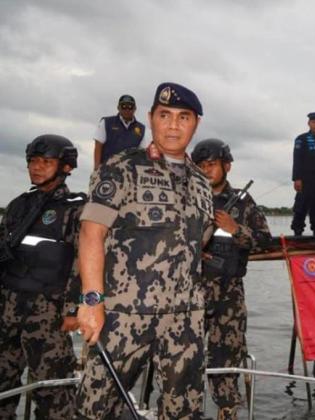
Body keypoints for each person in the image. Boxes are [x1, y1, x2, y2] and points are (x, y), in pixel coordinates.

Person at [75, 82, 214, 419]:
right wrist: (92, 302)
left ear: (195, 123)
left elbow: (200, 241)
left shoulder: (201, 181)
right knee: (96, 408)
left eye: (184, 117)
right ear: (151, 118)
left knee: (184, 410)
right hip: (124, 315)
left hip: (185, 319)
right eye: (164, 115)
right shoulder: (122, 167)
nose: (173, 125)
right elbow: (91, 234)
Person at [0, 134, 84, 419]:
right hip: (8, 306)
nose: (37, 167)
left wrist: (73, 309)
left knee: (53, 391)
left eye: (46, 162)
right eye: (33, 161)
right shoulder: (17, 206)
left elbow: (82, 262)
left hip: (47, 313)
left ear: (66, 167)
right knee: (2, 383)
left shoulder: (75, 209)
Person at [192, 138, 271, 419]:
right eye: (199, 166)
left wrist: (235, 228)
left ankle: (227, 412)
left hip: (229, 294)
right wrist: (193, 252)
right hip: (189, 293)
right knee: (183, 360)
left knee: (227, 362)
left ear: (226, 166)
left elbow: (264, 241)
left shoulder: (243, 202)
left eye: (211, 165)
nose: (205, 171)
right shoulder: (186, 199)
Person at [93, 94, 146, 169]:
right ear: (118, 108)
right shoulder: (106, 123)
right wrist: (96, 169)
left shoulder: (141, 128)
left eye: (130, 107)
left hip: (130, 172)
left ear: (135, 108)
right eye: (123, 106)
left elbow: (142, 153)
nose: (127, 109)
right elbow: (98, 146)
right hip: (107, 170)